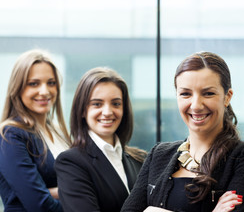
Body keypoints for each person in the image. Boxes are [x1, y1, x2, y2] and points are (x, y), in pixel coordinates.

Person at [121, 52, 244, 212]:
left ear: (227, 97)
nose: (196, 105)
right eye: (185, 94)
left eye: (208, 93)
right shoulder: (159, 154)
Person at [55, 67, 146, 212]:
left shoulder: (140, 159)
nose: (108, 112)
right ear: (83, 110)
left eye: (116, 103)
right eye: (97, 104)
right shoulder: (71, 163)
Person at [0, 49, 71, 211]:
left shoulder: (59, 132)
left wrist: (53, 192)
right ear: (17, 88)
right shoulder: (10, 135)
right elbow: (39, 204)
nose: (45, 91)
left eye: (51, 83)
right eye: (34, 83)